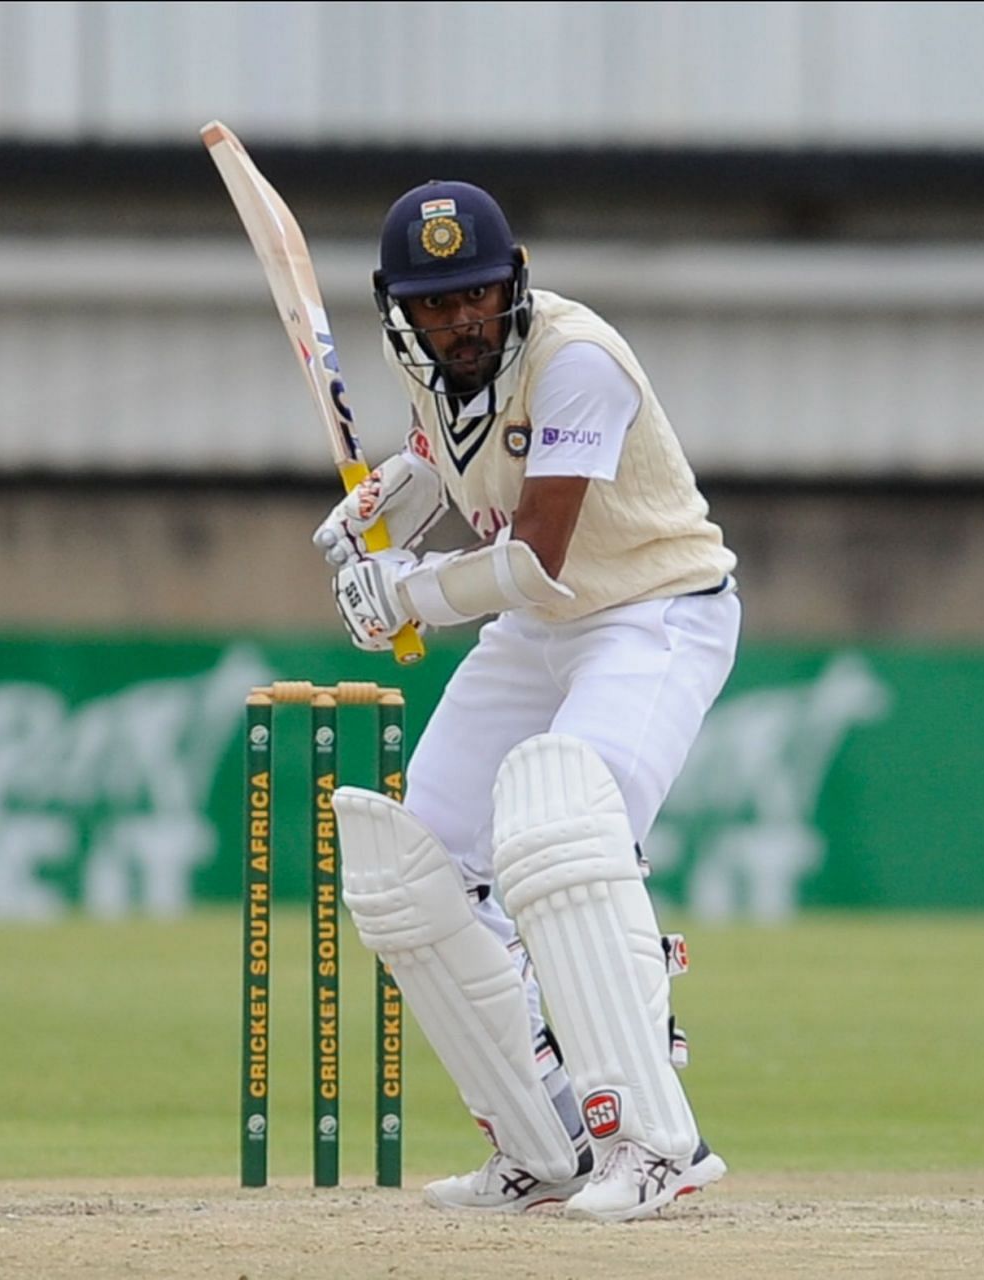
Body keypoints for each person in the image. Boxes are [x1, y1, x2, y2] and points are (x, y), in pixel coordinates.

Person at [311, 180, 739, 1222]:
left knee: (563, 830)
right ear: (402, 310)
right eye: (434, 302)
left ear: (513, 282)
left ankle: (654, 1142)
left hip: (651, 611)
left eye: (475, 296)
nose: (459, 320)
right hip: (541, 634)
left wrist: (402, 591)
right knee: (413, 869)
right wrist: (376, 509)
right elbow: (442, 454)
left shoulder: (577, 362)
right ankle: (541, 1141)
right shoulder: (436, 367)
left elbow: (538, 557)